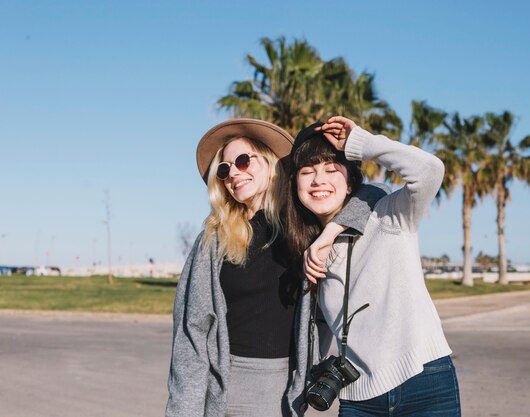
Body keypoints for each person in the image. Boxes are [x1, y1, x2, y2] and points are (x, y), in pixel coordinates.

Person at [165, 118, 385, 417]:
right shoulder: (215, 238)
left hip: (289, 387)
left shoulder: (306, 223)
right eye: (224, 169)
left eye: (243, 161)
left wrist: (331, 232)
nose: (233, 174)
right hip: (229, 386)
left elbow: (373, 192)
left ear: (269, 162)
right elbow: (191, 332)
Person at [285, 116, 461, 417]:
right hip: (359, 398)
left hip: (426, 381)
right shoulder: (306, 251)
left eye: (331, 170)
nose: (319, 181)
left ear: (351, 180)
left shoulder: (389, 215)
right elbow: (321, 329)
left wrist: (361, 143)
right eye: (307, 171)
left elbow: (429, 170)